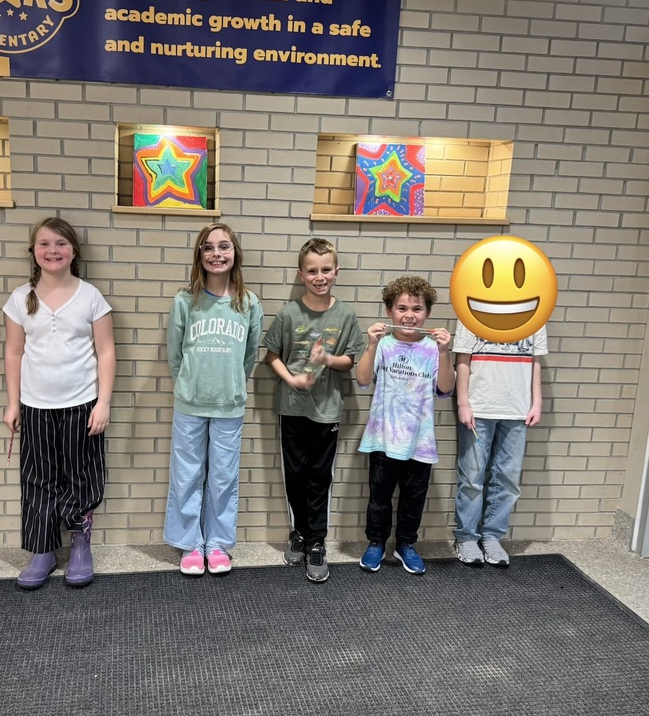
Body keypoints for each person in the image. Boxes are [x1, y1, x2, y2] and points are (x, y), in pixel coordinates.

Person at [3, 217, 115, 590]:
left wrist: (103, 403)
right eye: (45, 244)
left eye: (61, 244)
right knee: (38, 478)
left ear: (74, 251)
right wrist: (13, 403)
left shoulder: (90, 297)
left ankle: (80, 543)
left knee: (81, 475)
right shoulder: (20, 298)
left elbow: (106, 351)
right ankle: (42, 550)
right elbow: (13, 352)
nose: (53, 251)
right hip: (35, 406)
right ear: (34, 252)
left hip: (82, 404)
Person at [164, 223, 263, 576]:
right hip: (190, 403)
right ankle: (191, 543)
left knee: (223, 477)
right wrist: (189, 384)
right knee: (187, 475)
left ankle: (217, 543)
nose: (216, 254)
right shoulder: (185, 301)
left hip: (229, 404)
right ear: (199, 255)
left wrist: (231, 384)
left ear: (235, 253)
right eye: (208, 248)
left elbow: (249, 357)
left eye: (224, 247)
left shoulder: (249, 303)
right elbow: (175, 355)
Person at [264, 238, 364, 583]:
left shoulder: (346, 314)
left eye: (325, 270)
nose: (319, 277)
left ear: (336, 272)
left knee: (321, 477)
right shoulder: (289, 313)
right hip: (292, 408)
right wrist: (291, 380)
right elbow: (271, 355)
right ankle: (300, 533)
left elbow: (350, 360)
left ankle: (317, 540)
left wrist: (327, 359)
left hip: (328, 410)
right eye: (312, 271)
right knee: (295, 474)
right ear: (301, 274)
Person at [356, 275, 454, 576]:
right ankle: (376, 543)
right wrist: (371, 344)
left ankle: (405, 545)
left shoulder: (432, 349)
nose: (409, 315)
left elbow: (446, 388)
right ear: (389, 312)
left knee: (413, 501)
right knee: (379, 499)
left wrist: (445, 352)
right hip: (383, 439)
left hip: (420, 442)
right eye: (401, 308)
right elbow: (362, 380)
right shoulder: (383, 344)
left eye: (417, 309)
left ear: (427, 314)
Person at [452, 321, 547, 567]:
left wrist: (536, 401)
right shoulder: (470, 311)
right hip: (479, 405)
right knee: (471, 475)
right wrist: (463, 402)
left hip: (517, 409)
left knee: (508, 477)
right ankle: (466, 537)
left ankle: (492, 536)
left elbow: (536, 361)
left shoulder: (535, 314)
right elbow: (462, 359)